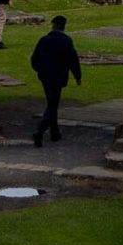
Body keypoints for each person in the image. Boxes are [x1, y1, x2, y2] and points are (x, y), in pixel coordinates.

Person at [31, 12, 82, 146]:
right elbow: (73, 60)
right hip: (58, 77)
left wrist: (39, 70)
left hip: (45, 76)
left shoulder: (44, 40)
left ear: (53, 25)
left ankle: (54, 132)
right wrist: (78, 76)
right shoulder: (66, 41)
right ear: (63, 27)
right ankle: (40, 131)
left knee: (51, 102)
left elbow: (34, 58)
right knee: (52, 105)